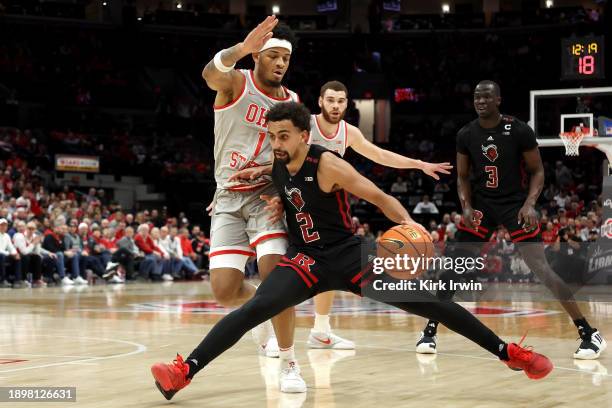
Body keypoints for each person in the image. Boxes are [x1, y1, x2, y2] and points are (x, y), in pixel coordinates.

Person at [151, 102, 552, 401]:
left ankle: (508, 352)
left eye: (283, 136)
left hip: (349, 256)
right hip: (306, 260)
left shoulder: (328, 165)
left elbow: (379, 198)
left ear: (304, 136)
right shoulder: (275, 163)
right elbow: (270, 181)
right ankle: (184, 371)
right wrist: (244, 186)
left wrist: (408, 226)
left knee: (430, 302)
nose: (275, 143)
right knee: (254, 309)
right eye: (271, 136)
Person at [232, 80, 452, 351]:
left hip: (323, 202)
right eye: (330, 100)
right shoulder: (303, 125)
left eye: (340, 101)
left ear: (347, 105)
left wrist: (418, 164)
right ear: (321, 102)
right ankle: (271, 331)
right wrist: (264, 173)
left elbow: (380, 155)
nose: (335, 106)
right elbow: (280, 155)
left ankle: (321, 330)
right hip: (292, 198)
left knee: (328, 265)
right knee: (286, 269)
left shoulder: (349, 133)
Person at [415, 80, 606, 360]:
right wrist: (466, 206)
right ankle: (429, 331)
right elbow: (463, 177)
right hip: (482, 207)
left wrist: (530, 204)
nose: (480, 101)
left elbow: (538, 171)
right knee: (455, 268)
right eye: (476, 97)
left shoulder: (517, 129)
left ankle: (589, 333)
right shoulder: (466, 134)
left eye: (486, 97)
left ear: (498, 100)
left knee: (542, 270)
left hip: (515, 206)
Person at [202, 14, 303, 390]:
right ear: (258, 56)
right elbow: (210, 74)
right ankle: (262, 317)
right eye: (273, 55)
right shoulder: (236, 82)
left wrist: (277, 183)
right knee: (225, 290)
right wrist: (240, 49)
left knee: (276, 274)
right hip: (228, 195)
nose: (280, 63)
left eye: (285, 59)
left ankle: (291, 364)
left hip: (269, 197)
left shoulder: (293, 102)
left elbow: (298, 156)